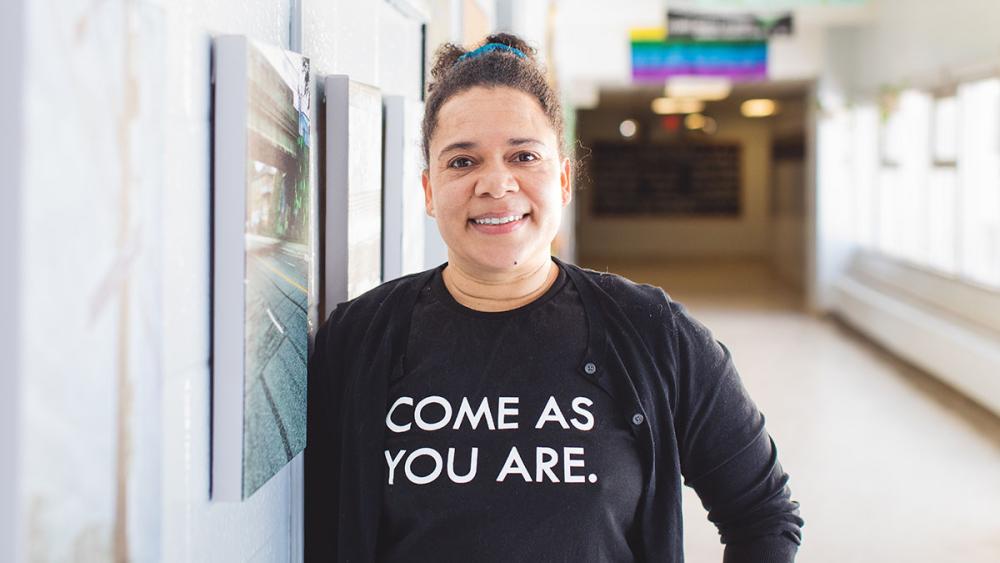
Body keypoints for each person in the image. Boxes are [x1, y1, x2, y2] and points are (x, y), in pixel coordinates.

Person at [305, 33, 804, 563]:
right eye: (461, 162)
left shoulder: (653, 333)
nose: (496, 184)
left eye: (523, 155)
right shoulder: (358, 339)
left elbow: (763, 514)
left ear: (564, 179)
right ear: (428, 191)